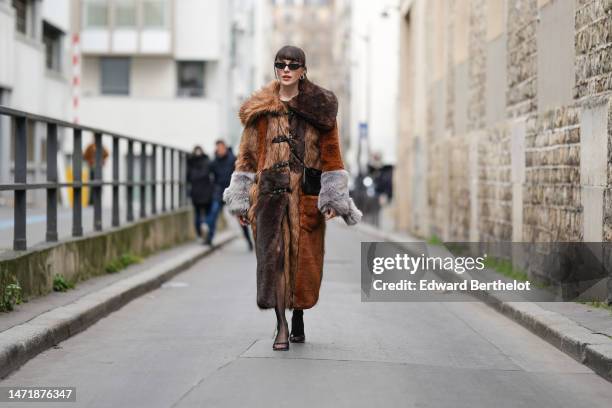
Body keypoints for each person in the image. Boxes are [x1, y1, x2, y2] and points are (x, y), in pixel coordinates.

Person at [223, 45, 362, 351]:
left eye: (292, 65)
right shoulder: (259, 110)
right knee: (275, 260)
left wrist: (333, 197)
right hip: (269, 196)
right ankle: (281, 326)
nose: (285, 69)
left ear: (302, 70)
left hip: (306, 197)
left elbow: (332, 155)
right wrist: (241, 197)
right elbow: (245, 157)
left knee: (302, 262)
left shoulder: (319, 108)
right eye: (280, 64)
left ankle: (297, 314)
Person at [186, 146, 214, 241]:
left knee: (197, 214)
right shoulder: (207, 161)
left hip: (195, 193)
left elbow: (188, 178)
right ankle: (205, 225)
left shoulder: (190, 162)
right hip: (206, 192)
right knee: (206, 213)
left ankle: (199, 234)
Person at [83, 137, 109, 205]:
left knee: (99, 184)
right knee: (92, 184)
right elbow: (85, 155)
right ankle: (91, 202)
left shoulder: (101, 147)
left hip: (99, 168)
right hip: (92, 167)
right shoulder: (90, 146)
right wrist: (90, 161)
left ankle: (98, 201)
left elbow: (107, 153)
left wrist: (102, 161)